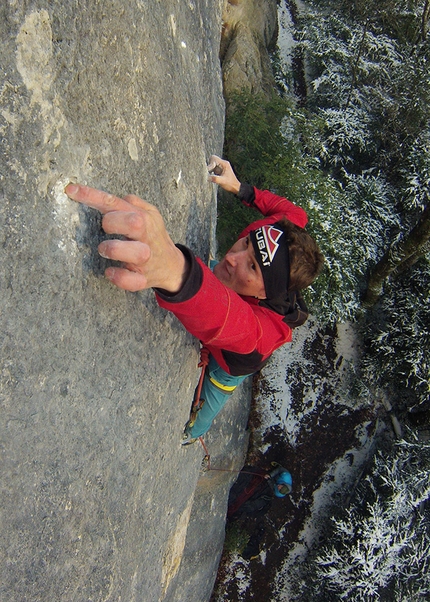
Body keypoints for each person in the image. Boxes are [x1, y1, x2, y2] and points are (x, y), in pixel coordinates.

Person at [65, 156, 324, 444]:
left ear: (266, 294)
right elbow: (291, 211)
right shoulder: (282, 233)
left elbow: (232, 321)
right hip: (227, 294)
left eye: (252, 266)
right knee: (218, 271)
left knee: (204, 411)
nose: (232, 257)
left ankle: (192, 436)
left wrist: (178, 273)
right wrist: (240, 188)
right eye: (247, 242)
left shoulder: (266, 333)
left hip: (228, 364)